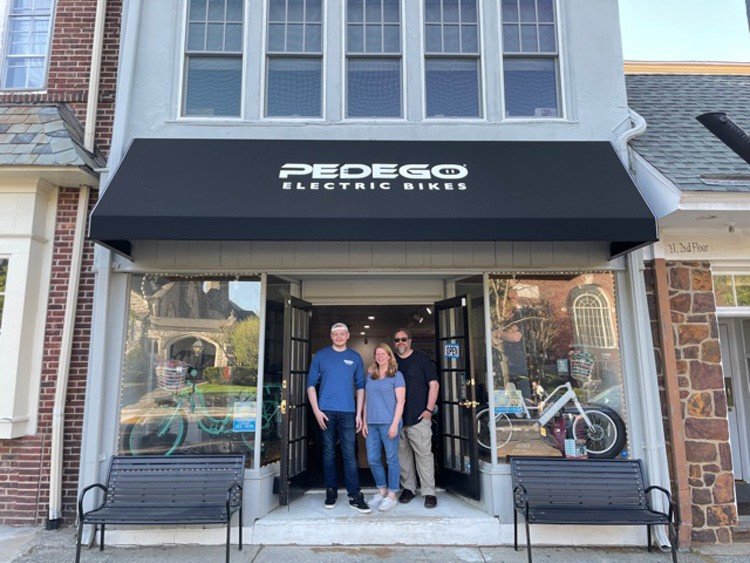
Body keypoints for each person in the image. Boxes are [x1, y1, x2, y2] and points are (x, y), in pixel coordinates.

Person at [307, 322, 370, 513]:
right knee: (328, 452)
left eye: (343, 334)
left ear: (348, 336)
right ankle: (331, 491)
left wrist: (359, 413)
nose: (339, 337)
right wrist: (317, 411)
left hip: (348, 412)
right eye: (336, 334)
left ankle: (355, 495)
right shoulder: (321, 356)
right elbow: (310, 385)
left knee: (349, 454)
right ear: (331, 336)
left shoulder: (355, 357)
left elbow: (361, 387)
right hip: (326, 411)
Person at [393, 328, 439, 508]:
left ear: (410, 341)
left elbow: (434, 385)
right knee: (402, 456)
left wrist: (429, 409)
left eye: (403, 339)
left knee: (424, 456)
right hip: (398, 420)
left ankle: (429, 492)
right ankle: (409, 489)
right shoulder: (392, 362)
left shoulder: (421, 359)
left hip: (419, 417)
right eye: (397, 340)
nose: (400, 343)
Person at [362, 344, 406, 512]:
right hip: (372, 423)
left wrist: (395, 424)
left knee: (391, 459)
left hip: (389, 422)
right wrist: (365, 421)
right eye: (377, 354)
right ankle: (382, 491)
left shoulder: (396, 375)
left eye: (383, 353)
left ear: (389, 356)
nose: (380, 356)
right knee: (372, 458)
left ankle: (392, 495)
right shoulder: (370, 376)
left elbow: (401, 402)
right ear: (375, 357)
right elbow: (366, 400)